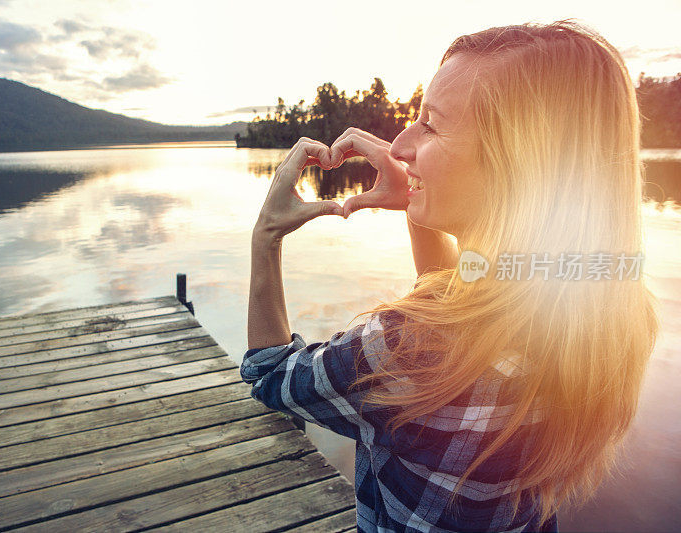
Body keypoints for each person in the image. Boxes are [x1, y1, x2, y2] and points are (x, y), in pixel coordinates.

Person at [241, 20, 660, 533]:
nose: (399, 146)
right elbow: (463, 306)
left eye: (431, 126)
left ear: (517, 162)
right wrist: (416, 206)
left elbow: (270, 373)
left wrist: (266, 238)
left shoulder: (408, 346)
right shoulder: (609, 306)